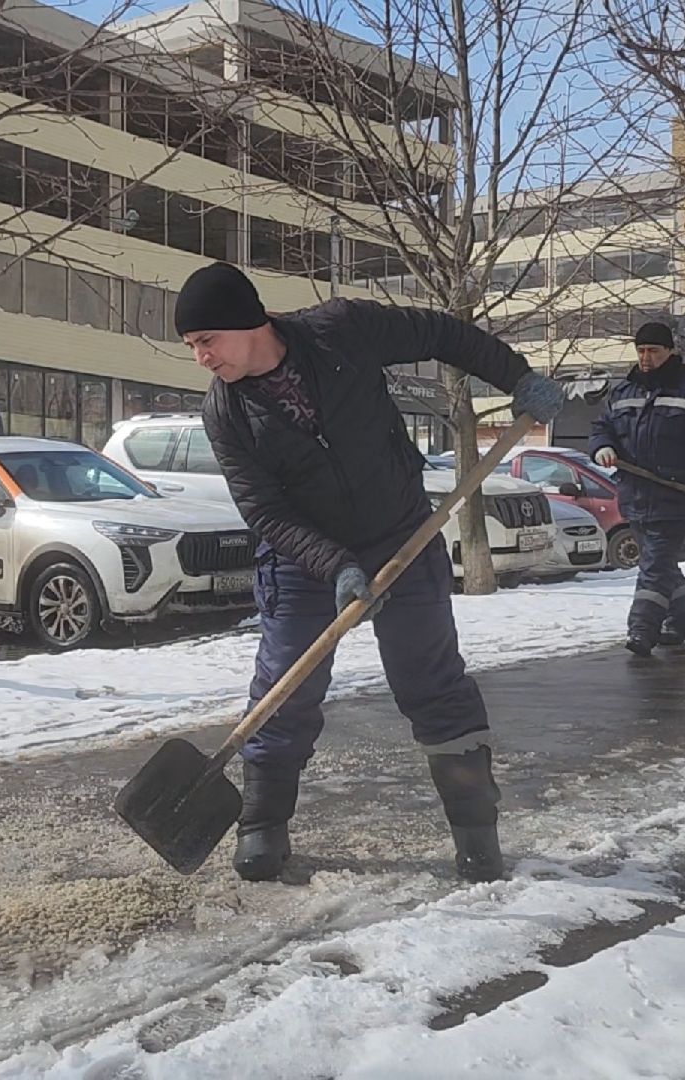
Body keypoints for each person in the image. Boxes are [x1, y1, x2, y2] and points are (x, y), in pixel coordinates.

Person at [177, 262, 565, 884]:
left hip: (399, 533)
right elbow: (263, 510)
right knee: (286, 686)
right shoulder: (225, 411)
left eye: (205, 342)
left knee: (430, 678)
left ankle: (475, 828)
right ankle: (261, 826)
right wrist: (335, 566)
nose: (201, 359)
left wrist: (516, 377)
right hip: (304, 556)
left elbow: (442, 335)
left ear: (245, 324)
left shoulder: (341, 331)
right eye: (193, 348)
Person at [588, 321, 685, 657]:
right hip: (635, 494)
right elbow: (602, 428)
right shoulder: (623, 392)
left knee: (654, 566)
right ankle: (683, 622)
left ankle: (642, 630)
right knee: (661, 564)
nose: (646, 358)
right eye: (641, 350)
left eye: (653, 351)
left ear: (670, 351)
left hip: (677, 496)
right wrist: (602, 446)